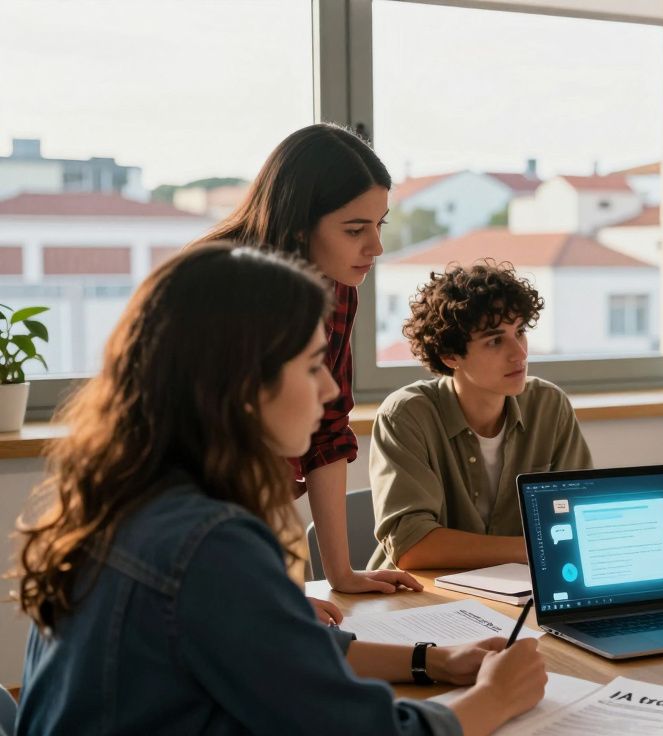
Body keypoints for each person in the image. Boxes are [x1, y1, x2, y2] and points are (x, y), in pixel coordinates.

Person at [15, 244, 548, 735]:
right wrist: (494, 699)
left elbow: (279, 655)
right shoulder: (209, 543)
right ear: (242, 382)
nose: (331, 388)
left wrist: (432, 660)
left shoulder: (129, 500)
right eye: (313, 364)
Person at [198, 123, 419, 623]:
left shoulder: (338, 285)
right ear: (299, 224)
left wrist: (340, 572)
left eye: (380, 224)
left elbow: (329, 424)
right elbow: (222, 456)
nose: (376, 248)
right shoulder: (218, 283)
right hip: (209, 530)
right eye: (355, 229)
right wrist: (275, 590)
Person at [369, 260, 592, 570]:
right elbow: (412, 546)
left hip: (513, 596)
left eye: (521, 332)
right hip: (419, 601)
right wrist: (533, 547)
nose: (520, 353)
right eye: (495, 340)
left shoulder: (549, 406)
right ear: (450, 355)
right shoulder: (405, 416)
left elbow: (579, 520)